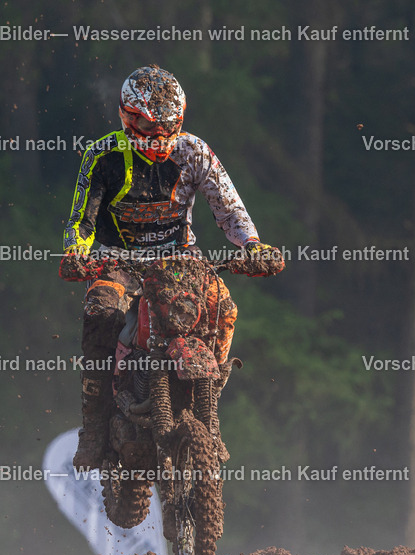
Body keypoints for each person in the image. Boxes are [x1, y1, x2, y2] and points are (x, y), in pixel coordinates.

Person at [63, 65, 271, 471]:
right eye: (147, 126)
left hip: (179, 259)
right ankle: (95, 426)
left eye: (168, 127)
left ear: (180, 120)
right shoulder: (102, 155)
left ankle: (208, 394)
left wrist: (253, 245)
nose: (158, 136)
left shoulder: (194, 151)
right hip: (117, 259)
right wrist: (76, 253)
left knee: (223, 307)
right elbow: (81, 221)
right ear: (127, 116)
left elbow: (229, 208)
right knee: (101, 311)